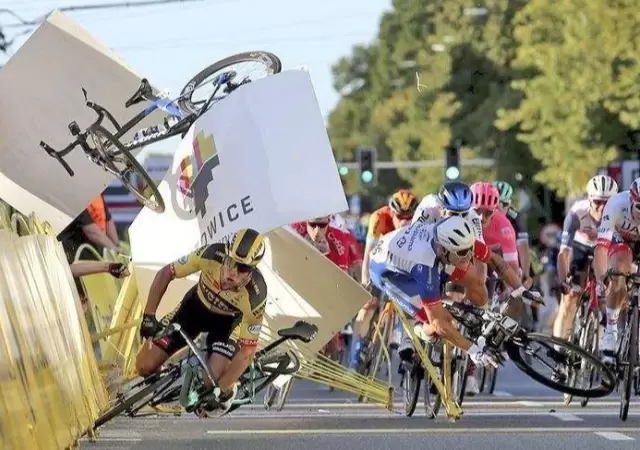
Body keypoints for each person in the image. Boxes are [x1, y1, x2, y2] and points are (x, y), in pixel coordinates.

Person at [135, 228, 267, 415]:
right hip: (193, 310)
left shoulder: (256, 295)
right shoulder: (211, 254)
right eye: (230, 262)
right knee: (143, 365)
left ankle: (231, 387)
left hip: (226, 326)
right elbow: (167, 272)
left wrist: (221, 389)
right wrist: (149, 316)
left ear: (252, 270)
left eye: (243, 268)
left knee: (210, 383)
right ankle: (166, 375)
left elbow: (247, 351)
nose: (232, 273)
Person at [369, 216, 509, 368]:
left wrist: (521, 289)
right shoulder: (424, 266)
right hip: (388, 273)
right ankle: (420, 331)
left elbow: (492, 259)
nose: (468, 256)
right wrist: (473, 350)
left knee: (473, 279)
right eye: (462, 253)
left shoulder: (451, 235)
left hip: (416, 251)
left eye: (469, 250)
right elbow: (438, 322)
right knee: (438, 323)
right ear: (444, 249)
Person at [554, 175, 618, 347]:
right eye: (597, 201)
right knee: (568, 299)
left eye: (608, 202)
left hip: (605, 249)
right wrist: (563, 279)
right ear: (589, 199)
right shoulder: (577, 213)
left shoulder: (618, 213)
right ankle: (559, 349)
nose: (603, 207)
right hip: (580, 247)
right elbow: (563, 253)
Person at [354, 189, 418, 357]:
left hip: (402, 263)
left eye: (408, 218)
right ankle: (356, 354)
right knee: (369, 304)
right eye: (400, 217)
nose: (404, 223)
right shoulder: (379, 217)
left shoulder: (420, 223)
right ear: (392, 213)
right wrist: (365, 279)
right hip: (379, 259)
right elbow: (368, 253)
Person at [594, 178, 640, 364]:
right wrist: (601, 278)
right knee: (618, 272)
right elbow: (601, 249)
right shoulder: (616, 204)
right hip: (621, 239)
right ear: (631, 200)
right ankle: (611, 332)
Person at [494, 181, 531, 283]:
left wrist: (525, 273)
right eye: (495, 205)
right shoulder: (483, 215)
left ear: (509, 204)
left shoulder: (515, 217)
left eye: (504, 204)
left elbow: (523, 247)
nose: (500, 208)